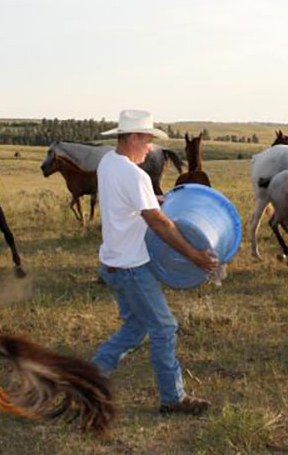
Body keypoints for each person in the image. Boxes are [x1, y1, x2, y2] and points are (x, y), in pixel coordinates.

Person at [92, 109, 218, 415]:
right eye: (147, 141)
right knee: (164, 327)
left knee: (136, 326)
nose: (150, 148)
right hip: (131, 267)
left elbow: (130, 203)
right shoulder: (133, 174)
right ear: (133, 138)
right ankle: (172, 398)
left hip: (112, 262)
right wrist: (195, 256)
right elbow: (160, 225)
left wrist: (160, 199)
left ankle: (92, 375)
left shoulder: (108, 162)